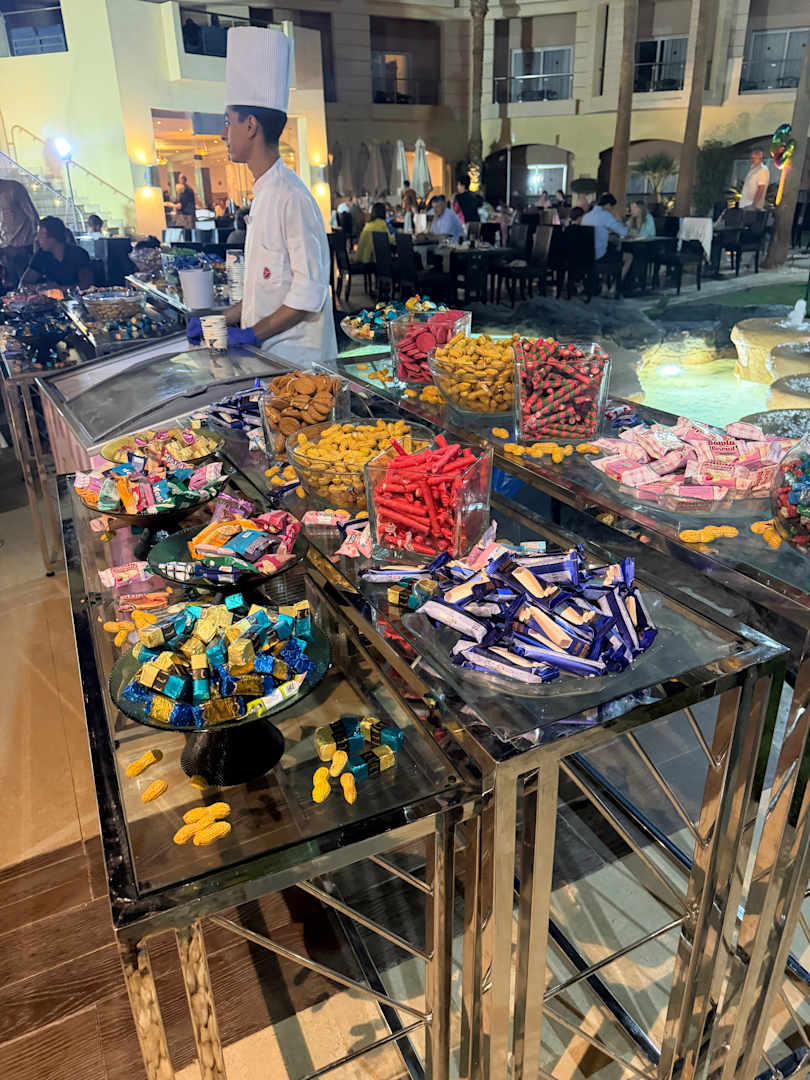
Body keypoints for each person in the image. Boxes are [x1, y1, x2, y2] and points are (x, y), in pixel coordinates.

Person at [187, 26, 336, 367]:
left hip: (300, 365)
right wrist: (220, 320)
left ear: (251, 125)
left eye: (228, 122)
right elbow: (264, 294)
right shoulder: (265, 192)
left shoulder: (291, 196)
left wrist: (251, 334)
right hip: (270, 359)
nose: (223, 133)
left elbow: (308, 292)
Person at [25, 215, 93, 289]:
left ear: (52, 238)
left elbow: (86, 285)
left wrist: (59, 289)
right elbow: (24, 283)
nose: (37, 239)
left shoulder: (78, 254)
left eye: (40, 235)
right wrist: (39, 287)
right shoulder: (41, 255)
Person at [0, 178, 39, 288]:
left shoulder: (14, 188)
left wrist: (36, 243)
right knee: (9, 290)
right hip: (4, 252)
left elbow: (33, 216)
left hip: (23, 249)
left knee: (27, 288)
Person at [581, 192, 628, 260]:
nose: (612, 210)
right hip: (600, 255)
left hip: (586, 254)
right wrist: (620, 221)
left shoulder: (586, 216)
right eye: (612, 207)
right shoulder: (605, 215)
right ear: (608, 205)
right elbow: (624, 232)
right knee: (629, 257)